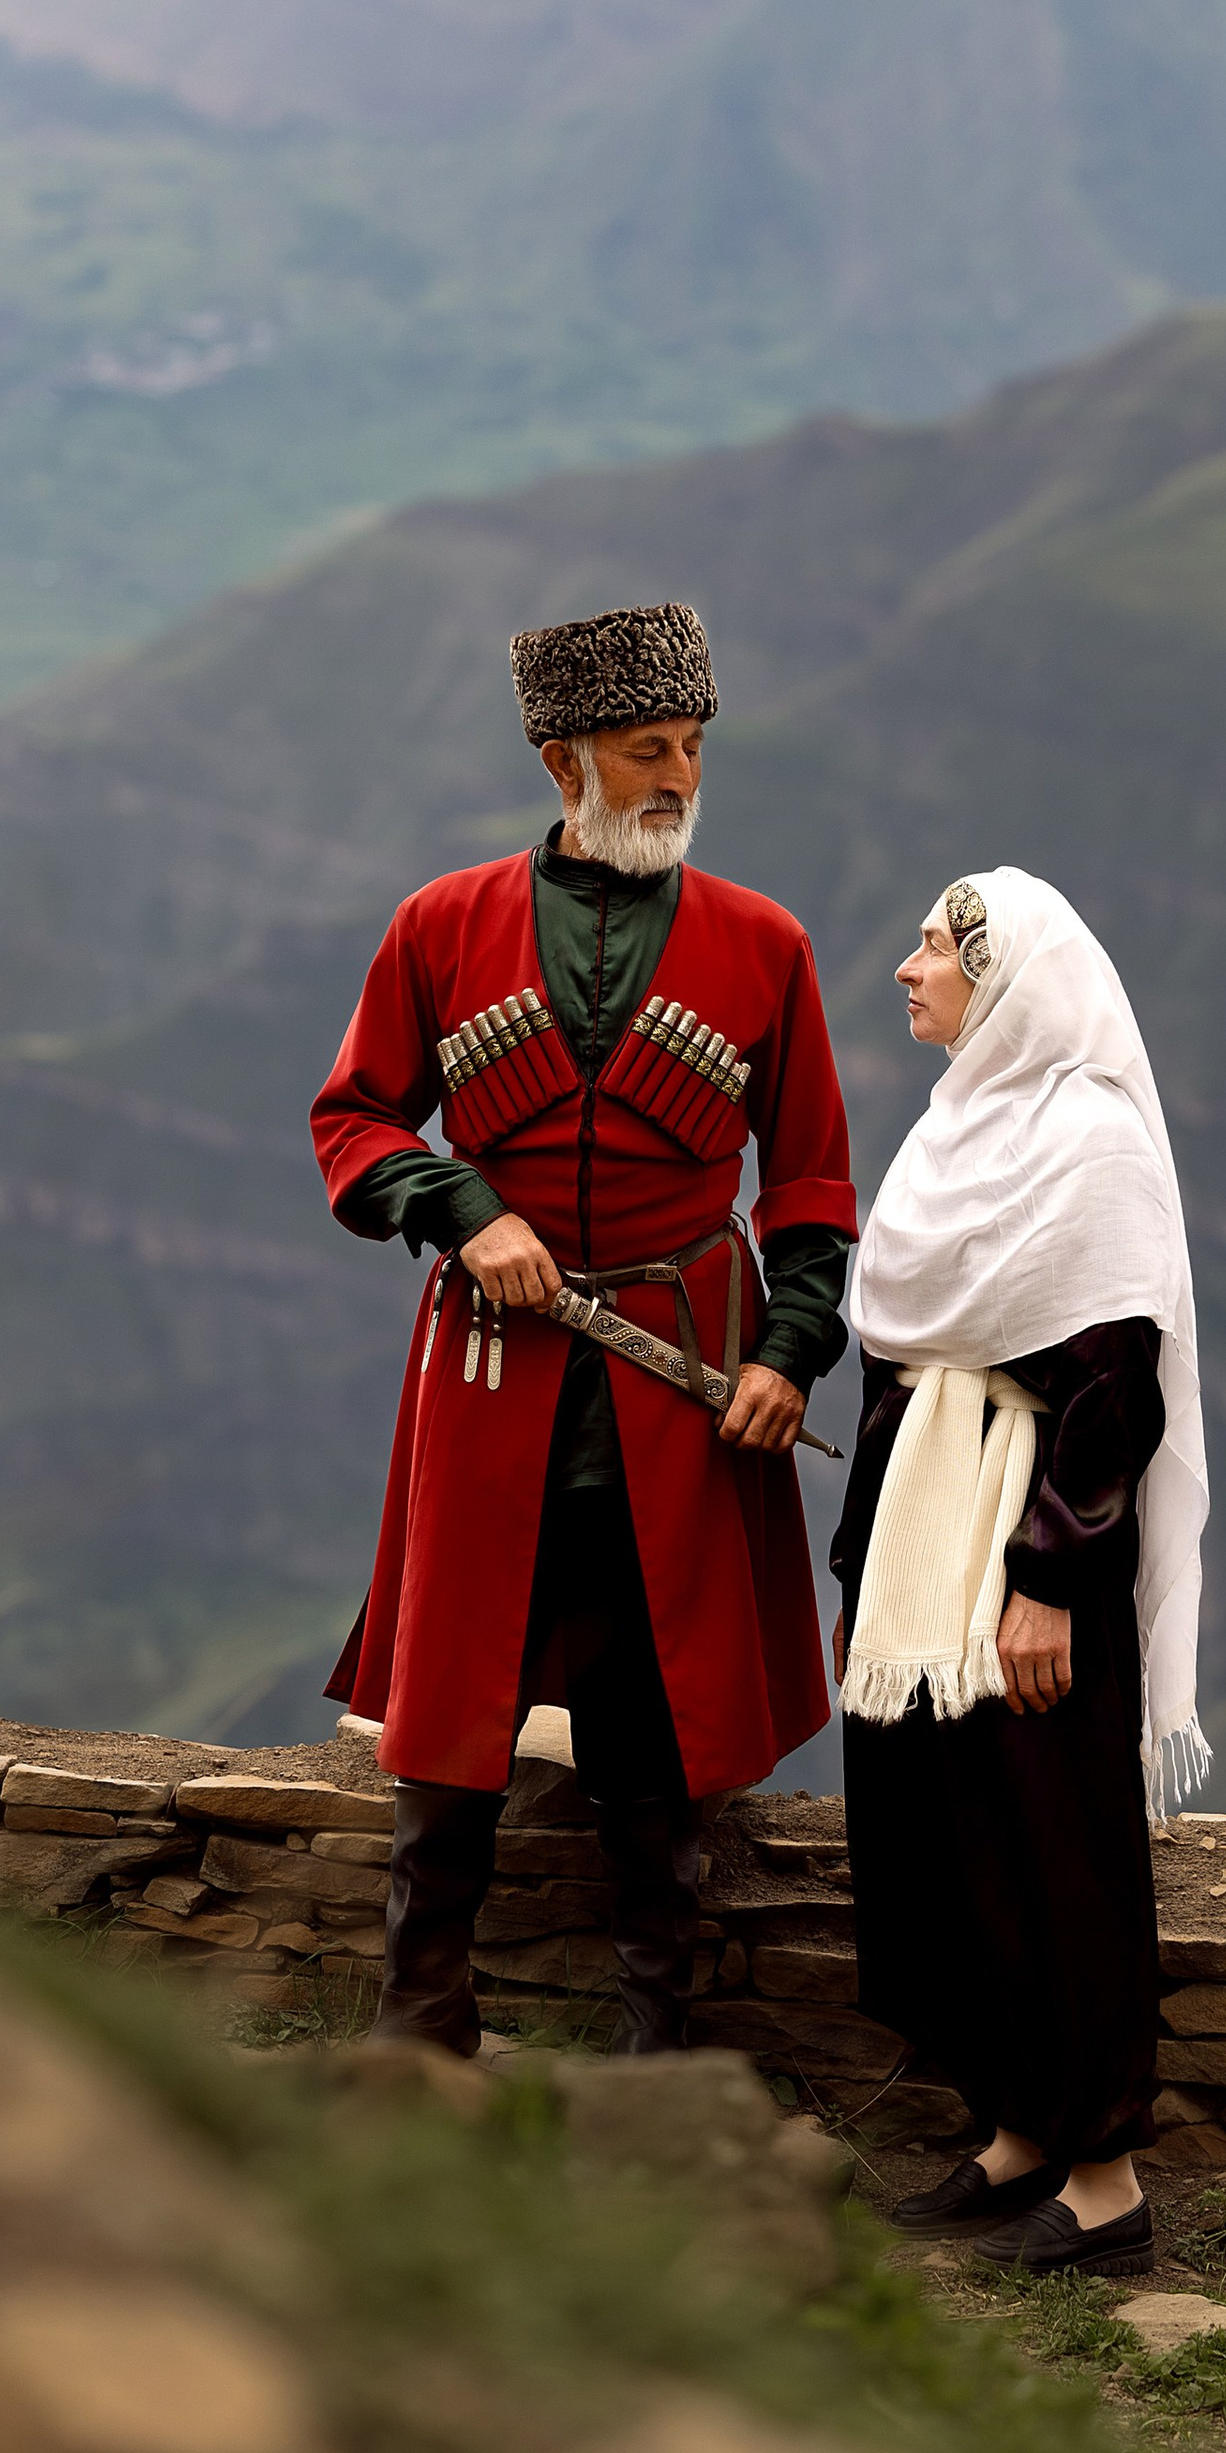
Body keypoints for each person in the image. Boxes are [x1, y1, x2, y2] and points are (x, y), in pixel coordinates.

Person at [312, 601, 857, 2055]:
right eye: (645, 749)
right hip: (492, 1364)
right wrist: (461, 1207)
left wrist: (787, 1350)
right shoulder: (440, 925)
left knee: (654, 1700)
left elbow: (811, 1184)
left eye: (693, 747)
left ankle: (656, 2048)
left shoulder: (766, 944)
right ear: (564, 762)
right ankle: (419, 2025)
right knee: (457, 1688)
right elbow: (354, 1121)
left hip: (687, 1377)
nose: (679, 777)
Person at [830, 868, 1210, 2278]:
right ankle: (1017, 2127)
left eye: (938, 947)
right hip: (926, 1544)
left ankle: (1105, 2180)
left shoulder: (1090, 1141)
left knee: (1058, 1849)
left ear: (1003, 984)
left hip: (1032, 1549)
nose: (908, 966)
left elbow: (1114, 1384)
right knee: (953, 1840)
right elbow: (904, 1355)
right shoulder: (957, 1128)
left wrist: (1048, 1578)